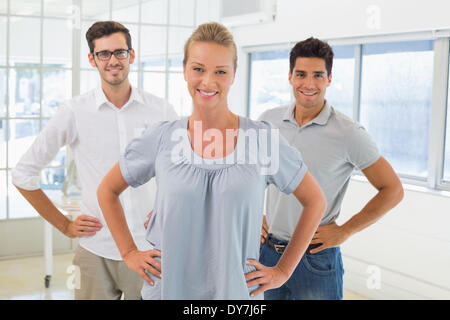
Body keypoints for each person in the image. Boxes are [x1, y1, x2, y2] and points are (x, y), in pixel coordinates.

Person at [97, 22, 326, 300]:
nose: (208, 81)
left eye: (220, 71)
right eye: (198, 69)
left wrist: (283, 270)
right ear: (184, 70)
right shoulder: (161, 137)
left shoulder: (261, 139)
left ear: (233, 75)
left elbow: (315, 201)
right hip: (167, 291)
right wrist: (129, 252)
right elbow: (107, 190)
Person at [11, 21, 178, 300]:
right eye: (104, 54)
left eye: (120, 52)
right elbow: (23, 174)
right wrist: (64, 225)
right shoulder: (74, 112)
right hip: (95, 249)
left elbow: (183, 172)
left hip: (150, 247)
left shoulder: (161, 110)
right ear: (92, 59)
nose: (113, 60)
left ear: (131, 55)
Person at [258, 37, 404, 300]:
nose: (309, 84)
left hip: (315, 258)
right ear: (290, 76)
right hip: (268, 253)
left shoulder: (348, 133)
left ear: (329, 79)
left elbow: (392, 189)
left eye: (318, 75)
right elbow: (250, 176)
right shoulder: (269, 121)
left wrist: (345, 230)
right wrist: (254, 217)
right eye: (301, 74)